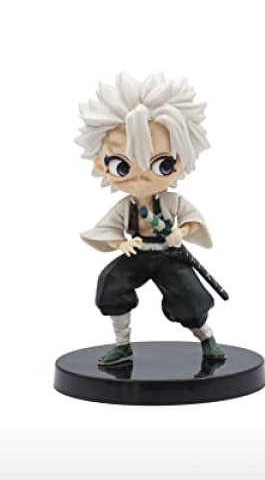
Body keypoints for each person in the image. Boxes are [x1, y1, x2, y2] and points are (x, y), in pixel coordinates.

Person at [75, 72, 226, 366]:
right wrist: (121, 244)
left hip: (168, 255)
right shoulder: (125, 207)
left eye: (162, 164)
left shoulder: (172, 202)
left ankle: (207, 338)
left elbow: (193, 221)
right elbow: (108, 230)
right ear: (102, 164)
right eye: (122, 166)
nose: (141, 177)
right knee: (112, 284)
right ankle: (122, 345)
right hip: (138, 254)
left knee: (189, 297)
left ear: (181, 162)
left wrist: (181, 233)